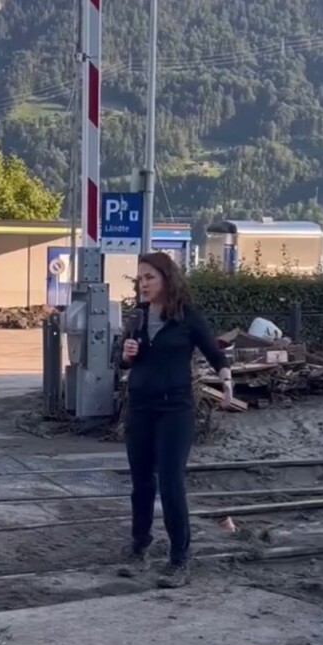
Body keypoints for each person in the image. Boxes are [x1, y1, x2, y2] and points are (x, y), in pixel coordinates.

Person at [118, 251, 232, 589]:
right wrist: (124, 356)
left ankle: (179, 559)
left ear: (167, 279)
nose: (144, 284)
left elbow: (215, 353)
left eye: (149, 277)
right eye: (140, 278)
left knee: (170, 482)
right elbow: (121, 360)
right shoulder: (137, 317)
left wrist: (226, 380)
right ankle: (140, 546)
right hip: (139, 408)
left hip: (175, 410)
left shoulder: (188, 318)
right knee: (141, 482)